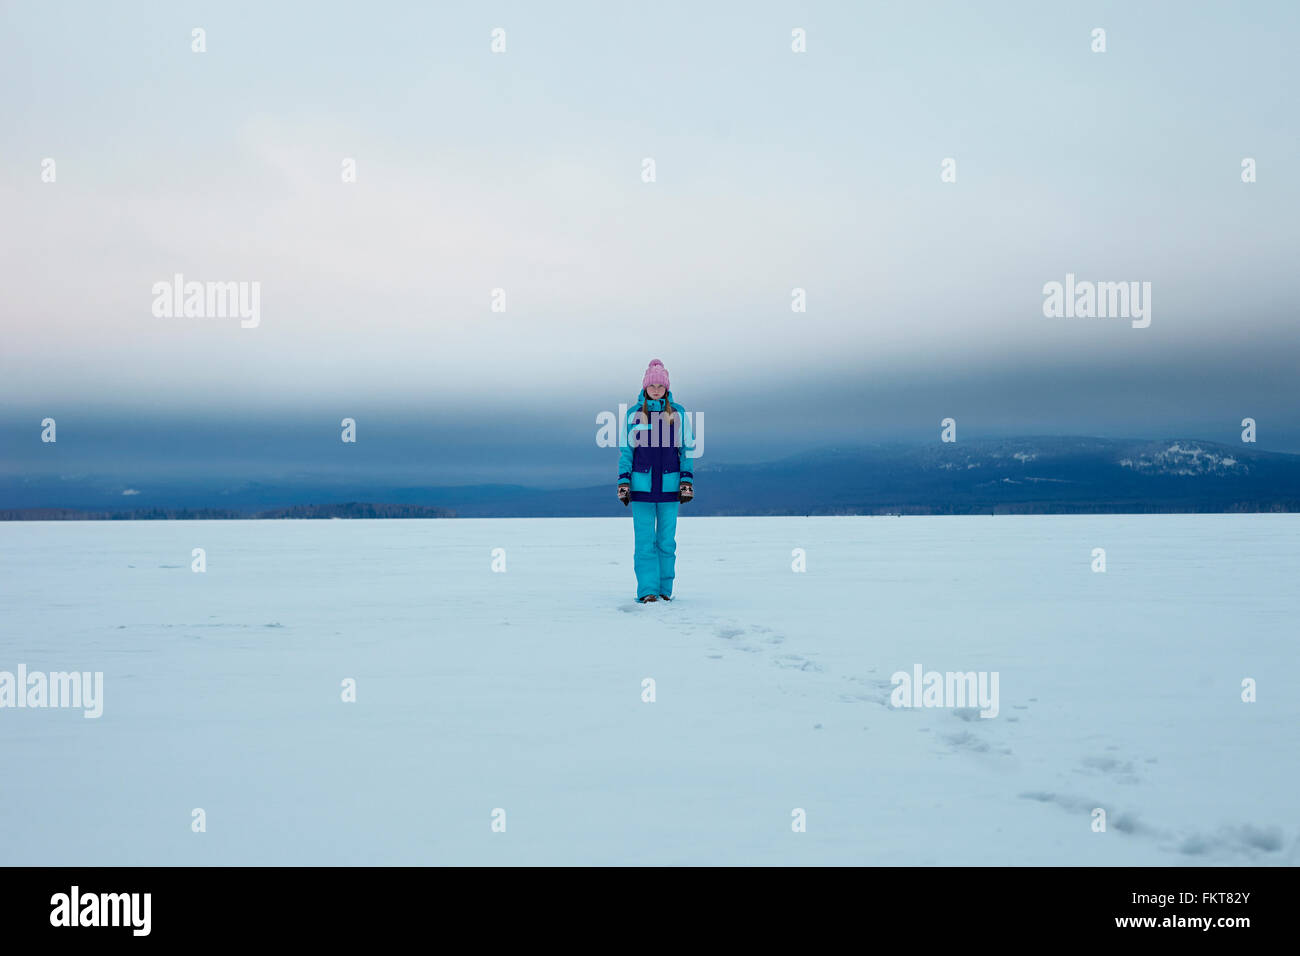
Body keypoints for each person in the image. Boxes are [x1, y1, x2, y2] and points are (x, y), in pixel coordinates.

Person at [617, 359, 695, 603]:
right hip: (641, 488)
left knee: (666, 541)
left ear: (667, 388)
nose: (657, 390)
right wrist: (624, 482)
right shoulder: (634, 414)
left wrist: (686, 481)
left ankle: (664, 590)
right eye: (653, 385)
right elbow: (626, 451)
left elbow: (687, 449)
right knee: (644, 543)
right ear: (645, 387)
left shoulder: (678, 413)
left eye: (661, 386)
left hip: (671, 487)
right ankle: (647, 591)